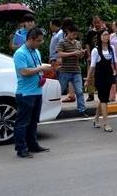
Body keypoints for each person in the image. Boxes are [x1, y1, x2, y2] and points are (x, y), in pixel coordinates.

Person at [12, 28, 51, 158]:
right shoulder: (20, 53)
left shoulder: (36, 51)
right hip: (25, 93)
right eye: (38, 41)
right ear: (30, 39)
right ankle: (21, 148)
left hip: (37, 91)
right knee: (22, 122)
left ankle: (33, 145)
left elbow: (36, 68)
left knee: (34, 121)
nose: (40, 43)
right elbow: (24, 72)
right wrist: (40, 68)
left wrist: (47, 68)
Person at [86, 28, 117, 132]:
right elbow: (92, 66)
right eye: (104, 35)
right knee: (104, 99)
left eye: (107, 35)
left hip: (109, 76)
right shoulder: (96, 50)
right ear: (100, 37)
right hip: (100, 77)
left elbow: (115, 62)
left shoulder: (111, 48)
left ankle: (96, 119)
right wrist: (88, 79)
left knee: (103, 98)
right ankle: (106, 123)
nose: (106, 36)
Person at [56, 23, 89, 117]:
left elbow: (80, 56)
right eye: (73, 34)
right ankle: (55, 110)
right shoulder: (62, 42)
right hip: (65, 71)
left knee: (79, 91)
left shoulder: (78, 43)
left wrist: (81, 53)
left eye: (76, 34)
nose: (75, 36)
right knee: (60, 91)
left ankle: (82, 110)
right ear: (68, 32)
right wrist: (73, 53)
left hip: (76, 71)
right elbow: (60, 54)